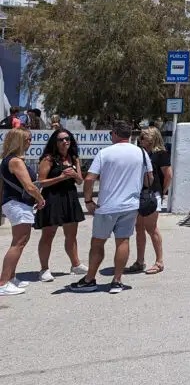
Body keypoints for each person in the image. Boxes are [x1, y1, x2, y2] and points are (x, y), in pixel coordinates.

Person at [72, 120, 153, 293]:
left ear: (115, 134)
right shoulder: (141, 152)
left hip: (107, 205)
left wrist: (88, 201)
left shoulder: (105, 153)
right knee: (123, 241)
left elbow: (89, 179)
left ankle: (90, 279)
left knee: (98, 242)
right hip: (131, 205)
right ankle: (117, 281)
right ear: (130, 135)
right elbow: (149, 179)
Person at [34, 127, 87, 281]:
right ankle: (44, 269)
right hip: (52, 198)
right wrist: (62, 177)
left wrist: (76, 175)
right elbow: (42, 182)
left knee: (71, 235)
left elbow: (79, 181)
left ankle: (75, 264)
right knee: (48, 235)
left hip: (70, 197)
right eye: (61, 139)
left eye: (67, 139)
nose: (65, 142)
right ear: (55, 142)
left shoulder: (74, 158)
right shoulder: (48, 159)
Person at [0, 128, 45, 295]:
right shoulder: (15, 161)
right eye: (27, 139)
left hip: (14, 204)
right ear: (18, 141)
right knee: (18, 243)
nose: (30, 142)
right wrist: (40, 199)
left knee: (19, 242)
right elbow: (29, 186)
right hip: (18, 204)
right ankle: (3, 282)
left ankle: (10, 278)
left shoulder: (7, 160)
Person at [126, 127, 169, 275]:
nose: (141, 140)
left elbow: (168, 174)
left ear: (152, 138)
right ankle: (140, 261)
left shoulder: (161, 154)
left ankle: (159, 261)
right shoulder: (141, 153)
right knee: (139, 228)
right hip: (140, 193)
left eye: (144, 137)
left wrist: (162, 192)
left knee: (151, 228)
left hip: (152, 193)